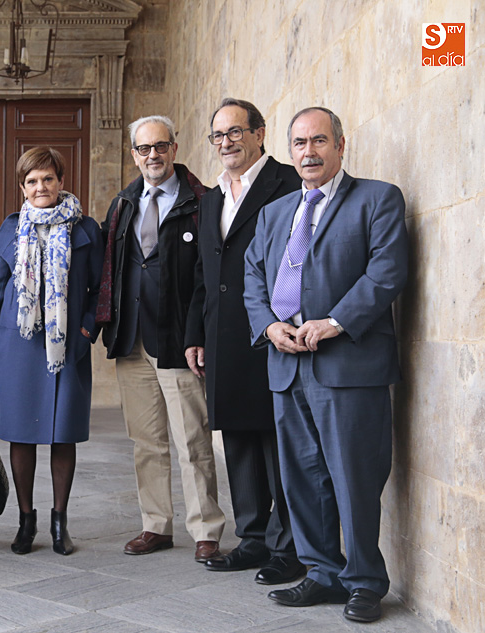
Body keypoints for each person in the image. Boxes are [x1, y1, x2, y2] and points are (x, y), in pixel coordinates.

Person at [244, 107, 408, 623]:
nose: (308, 153)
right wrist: (271, 327)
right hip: (287, 363)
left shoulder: (378, 199)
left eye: (319, 141)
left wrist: (334, 322)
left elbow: (386, 272)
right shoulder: (275, 213)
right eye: (299, 143)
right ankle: (321, 573)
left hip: (349, 364)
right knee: (303, 478)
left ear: (341, 144)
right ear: (288, 150)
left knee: (354, 477)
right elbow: (254, 279)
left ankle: (364, 582)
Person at [184, 98, 305, 584]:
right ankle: (253, 538)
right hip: (223, 339)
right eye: (218, 136)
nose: (226, 143)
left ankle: (289, 547)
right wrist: (196, 333)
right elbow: (203, 274)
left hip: (272, 335)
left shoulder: (288, 184)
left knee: (279, 446)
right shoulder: (212, 198)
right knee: (237, 441)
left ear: (259, 134)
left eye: (236, 132)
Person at [97, 115, 225, 561]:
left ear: (174, 148)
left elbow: (209, 277)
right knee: (146, 440)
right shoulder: (123, 204)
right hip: (131, 340)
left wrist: (199, 334)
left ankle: (206, 529)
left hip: (178, 341)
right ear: (134, 154)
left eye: (160, 146)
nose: (152, 155)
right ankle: (156, 525)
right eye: (143, 148)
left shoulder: (203, 202)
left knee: (192, 438)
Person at [0, 147, 103, 556]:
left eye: (47, 179)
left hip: (66, 347)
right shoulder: (10, 230)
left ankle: (59, 522)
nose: (40, 187)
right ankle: (26, 520)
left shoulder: (87, 230)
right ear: (22, 187)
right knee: (21, 435)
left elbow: (99, 291)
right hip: (17, 347)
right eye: (32, 181)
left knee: (62, 433)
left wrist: (86, 331)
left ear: (61, 182)